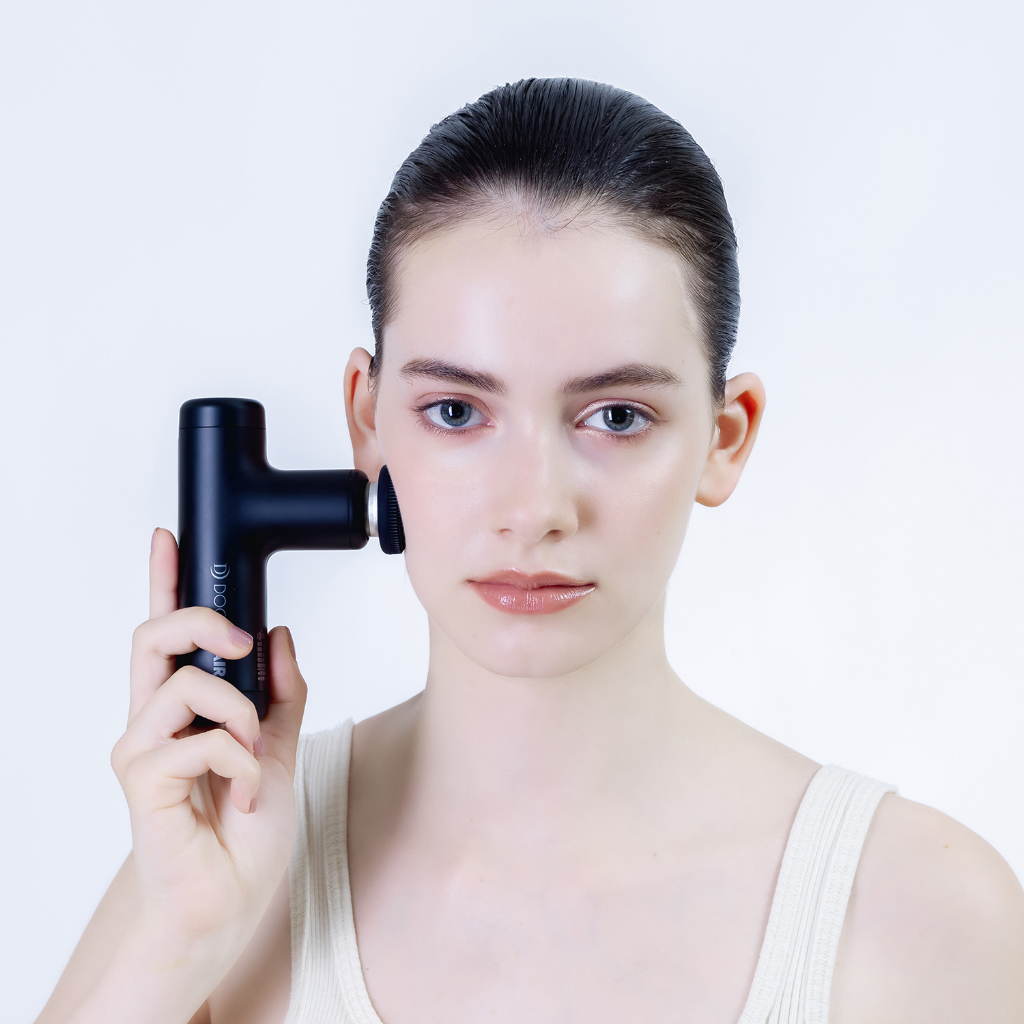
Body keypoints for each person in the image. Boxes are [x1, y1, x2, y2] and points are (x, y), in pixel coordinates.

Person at [37, 78, 1024, 1024]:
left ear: (725, 439)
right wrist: (178, 941)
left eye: (616, 415)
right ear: (368, 422)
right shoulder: (216, 870)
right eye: (456, 411)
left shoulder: (920, 919)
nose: (533, 508)